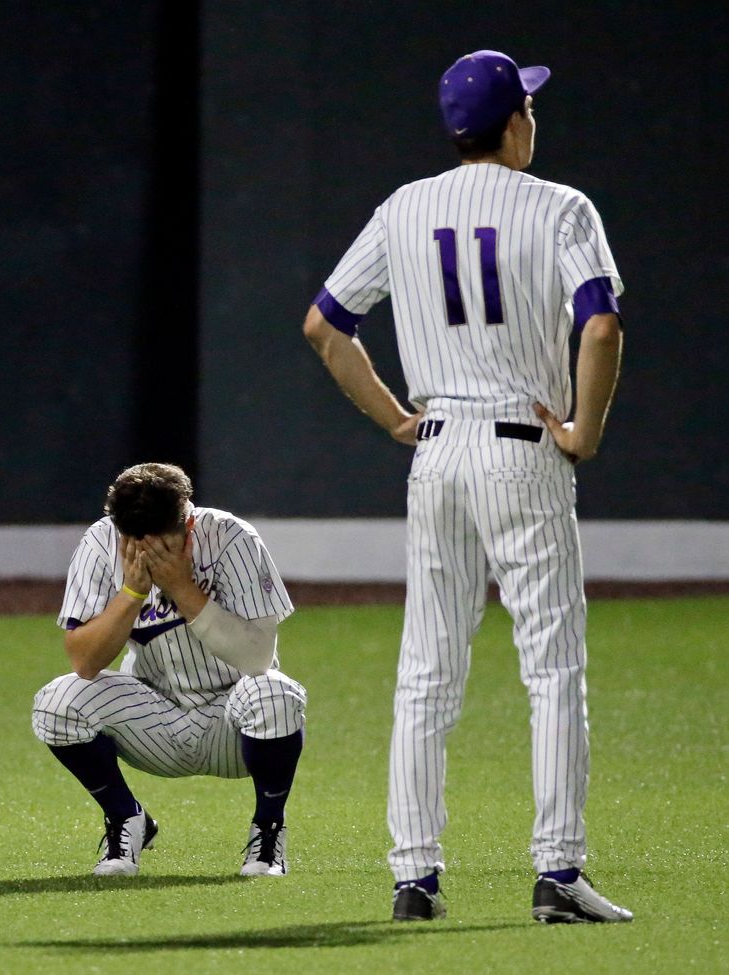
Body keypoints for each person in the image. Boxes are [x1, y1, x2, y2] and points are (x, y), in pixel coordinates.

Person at [303, 50, 632, 924]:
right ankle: (557, 873)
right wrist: (584, 432)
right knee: (553, 667)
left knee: (427, 671)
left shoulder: (405, 206)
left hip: (440, 449)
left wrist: (395, 419)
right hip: (525, 448)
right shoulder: (561, 206)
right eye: (530, 106)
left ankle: (415, 877)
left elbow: (326, 325)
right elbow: (600, 325)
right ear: (515, 122)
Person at [33, 462, 306, 878]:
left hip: (235, 721)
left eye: (163, 540)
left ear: (188, 523)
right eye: (137, 541)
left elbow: (257, 658)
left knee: (276, 694)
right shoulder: (101, 541)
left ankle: (268, 834)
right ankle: (128, 819)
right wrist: (131, 593)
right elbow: (84, 661)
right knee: (56, 703)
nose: (150, 551)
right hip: (153, 717)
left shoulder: (231, 537)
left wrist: (181, 587)